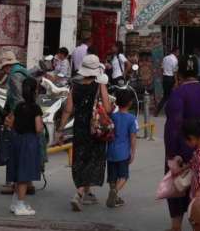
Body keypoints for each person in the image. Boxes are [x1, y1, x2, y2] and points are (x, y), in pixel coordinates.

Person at [164, 54, 200, 231]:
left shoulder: (178, 93)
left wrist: (171, 154)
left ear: (179, 74)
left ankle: (176, 226)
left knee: (178, 189)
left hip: (181, 148)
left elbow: (173, 126)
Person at [56, 53, 112, 211]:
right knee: (93, 159)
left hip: (79, 127)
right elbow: (107, 108)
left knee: (81, 158)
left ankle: (87, 192)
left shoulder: (75, 86)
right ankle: (79, 193)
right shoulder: (99, 85)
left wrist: (60, 129)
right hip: (95, 128)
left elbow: (68, 109)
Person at [6, 77, 42, 216]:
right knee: (24, 174)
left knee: (17, 172)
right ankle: (20, 205)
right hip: (29, 142)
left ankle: (15, 203)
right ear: (35, 91)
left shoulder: (18, 106)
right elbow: (38, 128)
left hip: (16, 140)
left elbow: (10, 123)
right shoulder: (35, 108)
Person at [0, 50, 32, 195]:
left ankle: (12, 183)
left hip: (19, 117)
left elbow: (18, 99)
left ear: (7, 66)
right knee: (26, 150)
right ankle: (28, 182)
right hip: (30, 114)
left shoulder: (13, 76)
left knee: (13, 149)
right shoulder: (25, 72)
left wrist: (11, 116)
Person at [106, 89, 139, 208]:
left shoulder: (112, 116)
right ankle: (115, 192)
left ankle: (113, 194)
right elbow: (133, 137)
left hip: (110, 151)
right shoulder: (132, 118)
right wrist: (133, 152)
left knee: (112, 177)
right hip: (123, 152)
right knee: (124, 176)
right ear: (130, 103)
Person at [154, 47, 179, 116]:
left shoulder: (165, 58)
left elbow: (161, 68)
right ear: (175, 52)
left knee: (166, 96)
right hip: (171, 78)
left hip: (165, 78)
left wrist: (163, 78)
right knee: (172, 95)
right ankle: (172, 111)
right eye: (178, 52)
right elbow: (175, 72)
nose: (178, 54)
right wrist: (176, 81)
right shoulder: (175, 60)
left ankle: (157, 111)